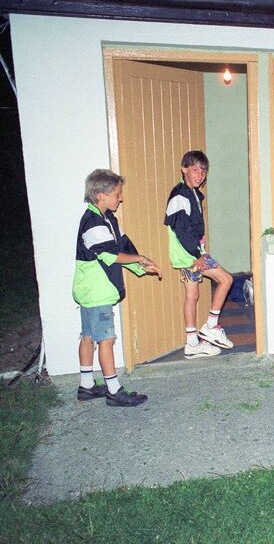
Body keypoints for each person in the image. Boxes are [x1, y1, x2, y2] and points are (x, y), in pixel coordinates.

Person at [73, 169, 162, 407]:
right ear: (100, 195)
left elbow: (123, 245)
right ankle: (114, 391)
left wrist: (143, 265)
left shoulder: (108, 218)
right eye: (117, 194)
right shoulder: (92, 223)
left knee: (89, 337)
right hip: (96, 291)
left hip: (91, 291)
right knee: (106, 340)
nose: (120, 198)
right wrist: (140, 259)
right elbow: (111, 255)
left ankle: (87, 386)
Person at [164, 150, 234, 358]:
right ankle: (211, 325)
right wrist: (198, 255)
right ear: (184, 169)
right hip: (189, 255)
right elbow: (181, 230)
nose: (199, 174)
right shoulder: (180, 195)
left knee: (192, 295)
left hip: (189, 255)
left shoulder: (193, 193)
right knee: (226, 279)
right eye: (194, 169)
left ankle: (192, 343)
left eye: (203, 170)